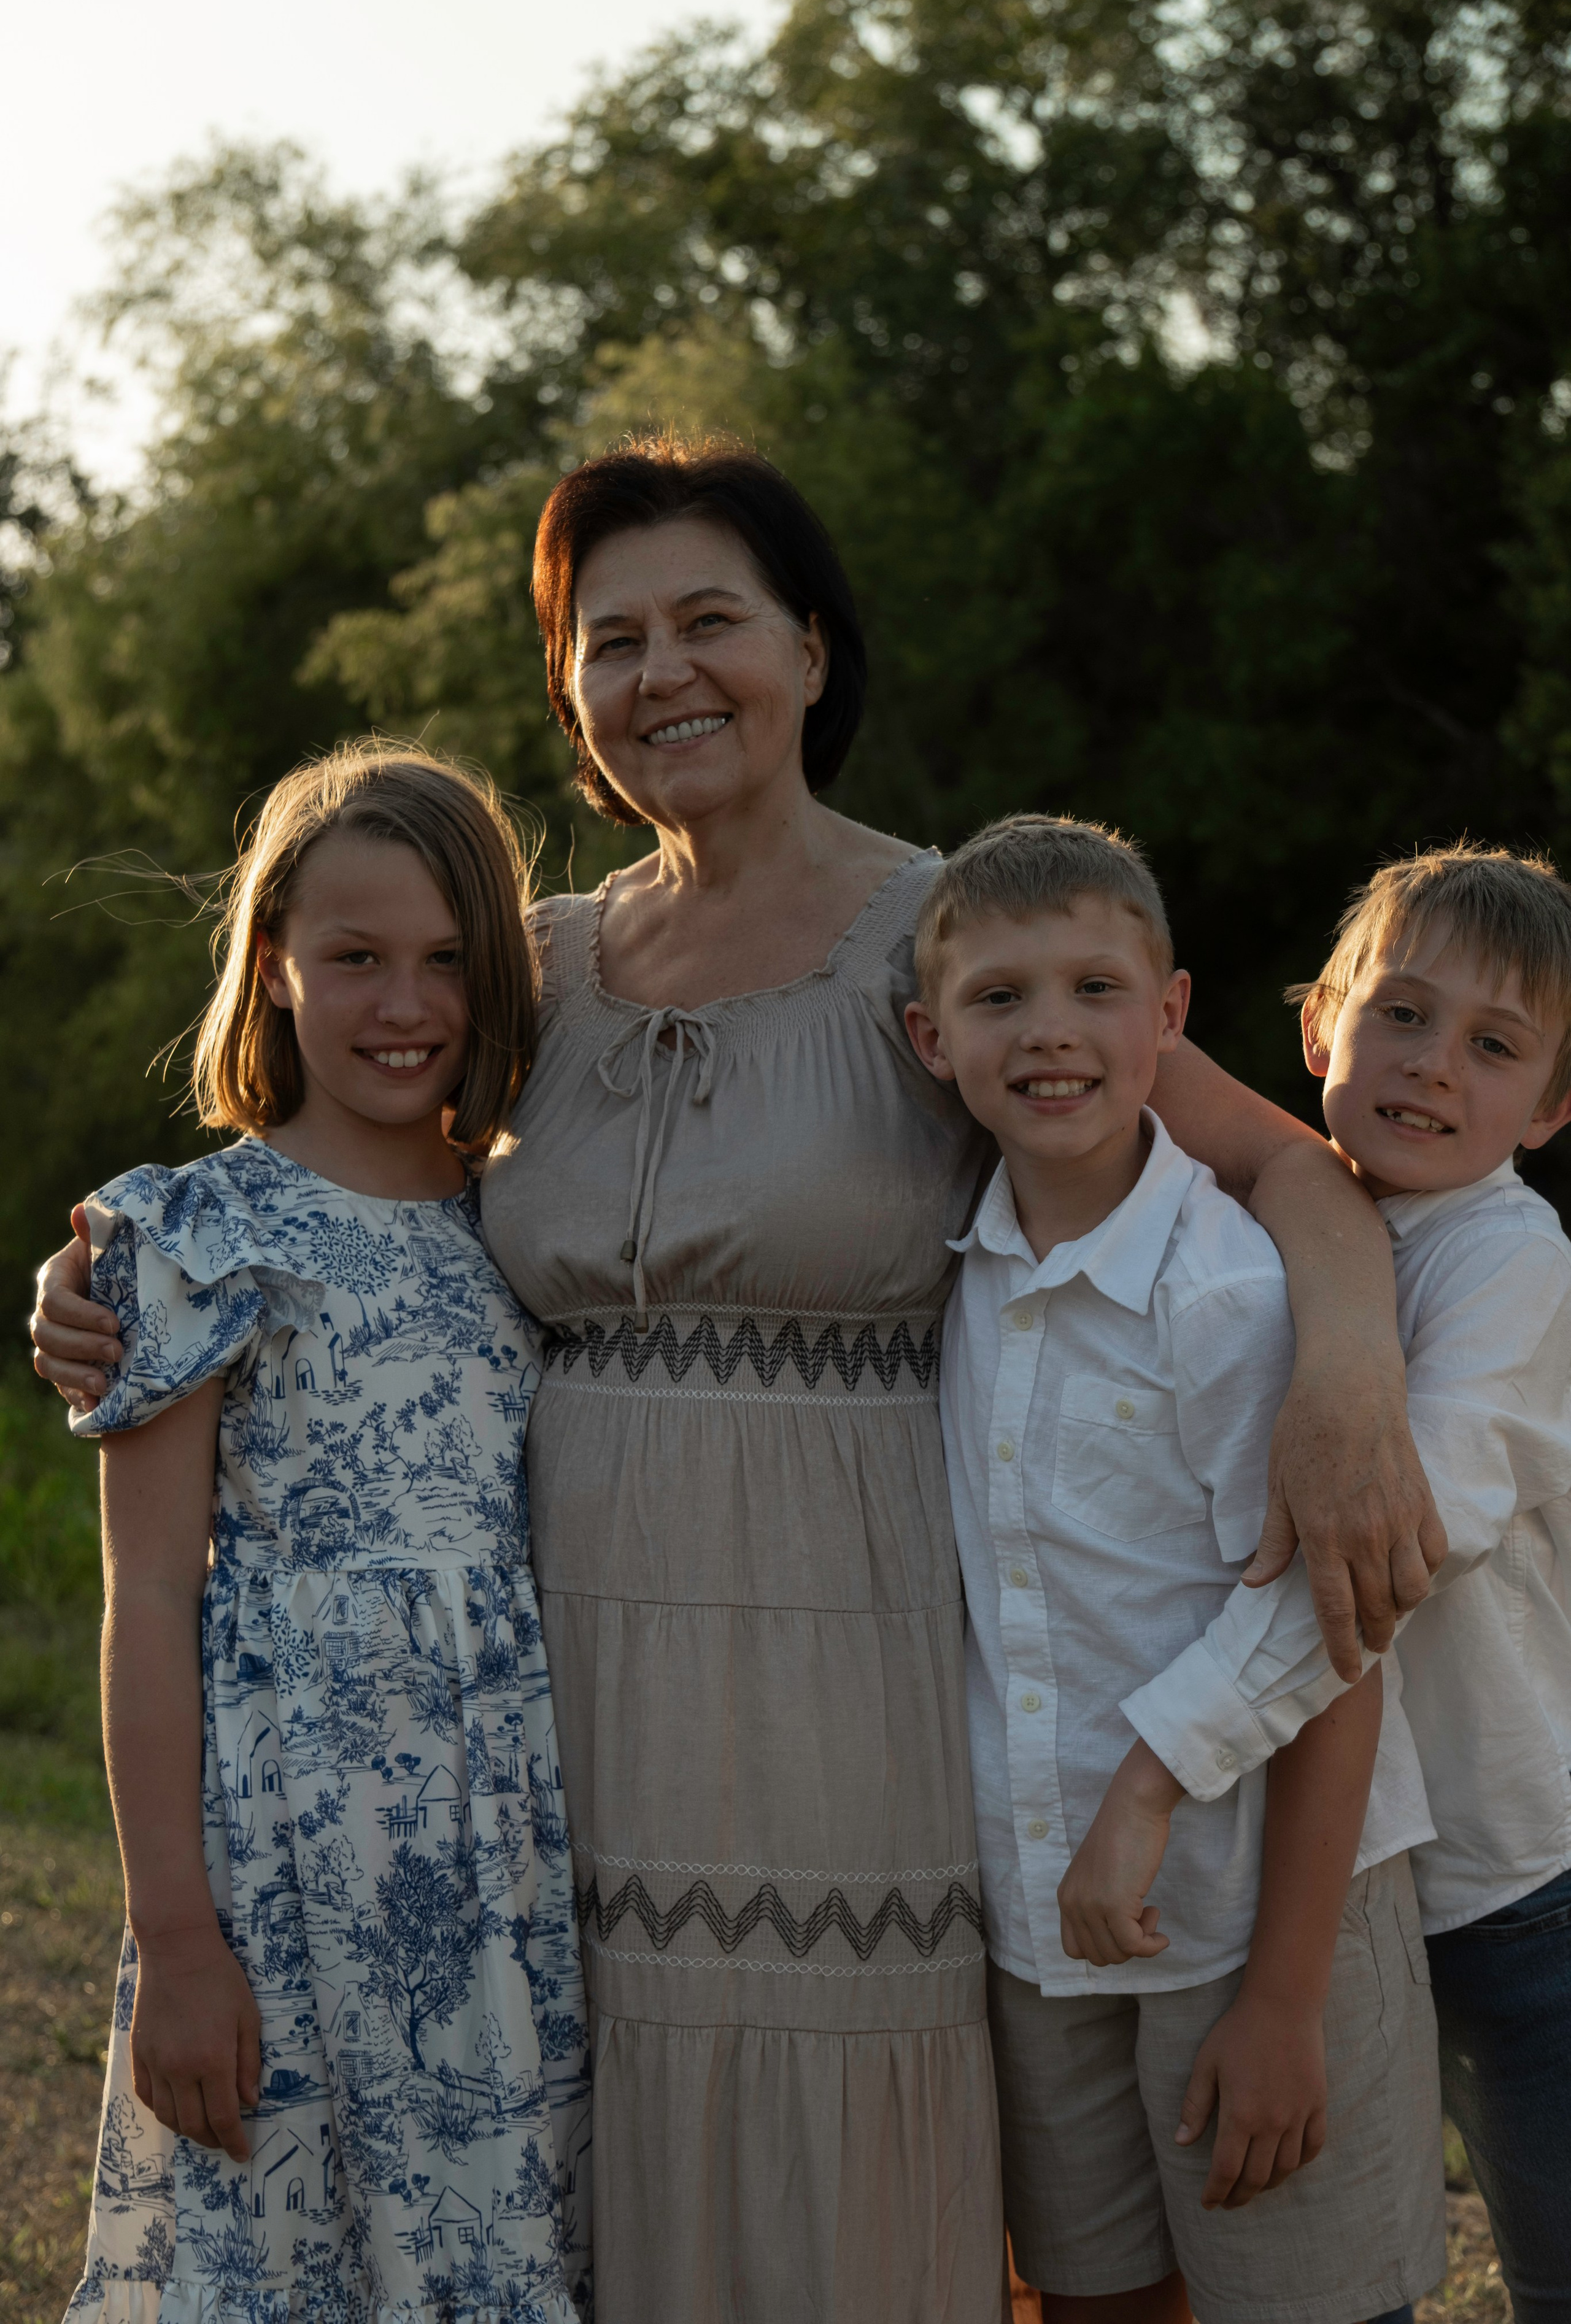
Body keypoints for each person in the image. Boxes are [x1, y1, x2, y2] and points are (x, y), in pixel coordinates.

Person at [34, 438, 1447, 2324]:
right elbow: (332, 1190)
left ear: (808, 648)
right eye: (612, 640)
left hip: (857, 1679)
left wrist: (1348, 1385)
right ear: (571, 694)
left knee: (855, 2157)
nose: (664, 673)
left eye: (711, 620)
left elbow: (1290, 1172)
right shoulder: (525, 978)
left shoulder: (955, 939)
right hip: (564, 1728)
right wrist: (106, 1283)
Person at [61, 746, 591, 2324]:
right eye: (354, 959)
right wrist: (175, 1941)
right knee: (291, 2262)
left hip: (512, 1853)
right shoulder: (197, 1235)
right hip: (289, 1856)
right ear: (274, 959)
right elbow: (148, 1597)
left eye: (443, 960)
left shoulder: (525, 1211)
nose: (402, 1004)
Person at [906, 816, 1445, 2324]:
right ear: (926, 1038)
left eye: (1092, 988)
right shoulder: (952, 1281)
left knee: (1303, 2300)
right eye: (998, 999)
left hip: (1246, 1912)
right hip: (1042, 1927)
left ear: (1170, 1015)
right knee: (1089, 2297)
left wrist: (1281, 1999)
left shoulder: (1223, 1295)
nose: (1049, 1032)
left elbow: (1332, 1624)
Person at [1106, 844, 1571, 2324]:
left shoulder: (1509, 1259)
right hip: (1337, 1873)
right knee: (1350, 2252)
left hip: (1515, 1876)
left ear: (1551, 1110)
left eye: (1493, 1048)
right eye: (1401, 1017)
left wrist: (1152, 1773)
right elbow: (1128, 1050)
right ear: (1319, 1032)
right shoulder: (1262, 1232)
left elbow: (1378, 1563)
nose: (1432, 1070)